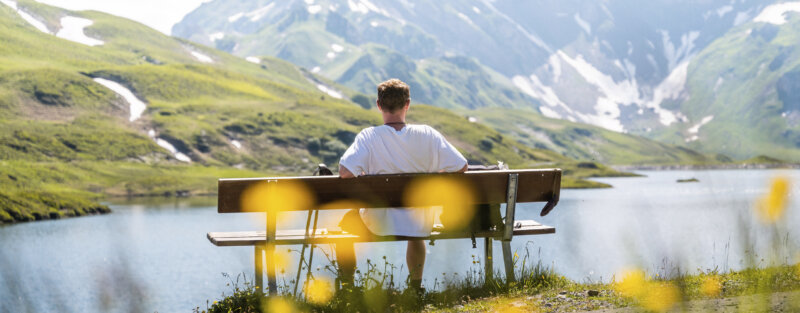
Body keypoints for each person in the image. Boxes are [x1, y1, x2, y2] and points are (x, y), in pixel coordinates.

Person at [336, 78, 468, 290]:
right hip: (419, 221)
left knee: (345, 224)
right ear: (407, 104)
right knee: (415, 229)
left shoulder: (369, 136)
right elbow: (461, 166)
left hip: (378, 222)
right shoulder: (428, 134)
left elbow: (345, 172)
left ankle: (348, 287)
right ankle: (415, 287)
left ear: (379, 105)